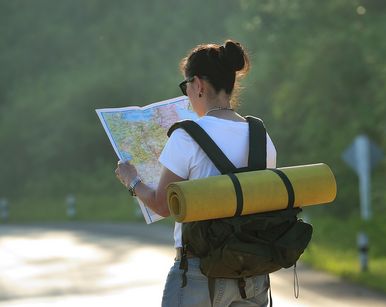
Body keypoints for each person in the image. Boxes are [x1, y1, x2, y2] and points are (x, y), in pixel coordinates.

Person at [115, 39, 277, 307]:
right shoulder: (261, 136)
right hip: (253, 273)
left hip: (199, 274)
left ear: (199, 85)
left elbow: (162, 205)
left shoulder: (186, 137)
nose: (187, 95)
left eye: (186, 86)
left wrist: (131, 180)